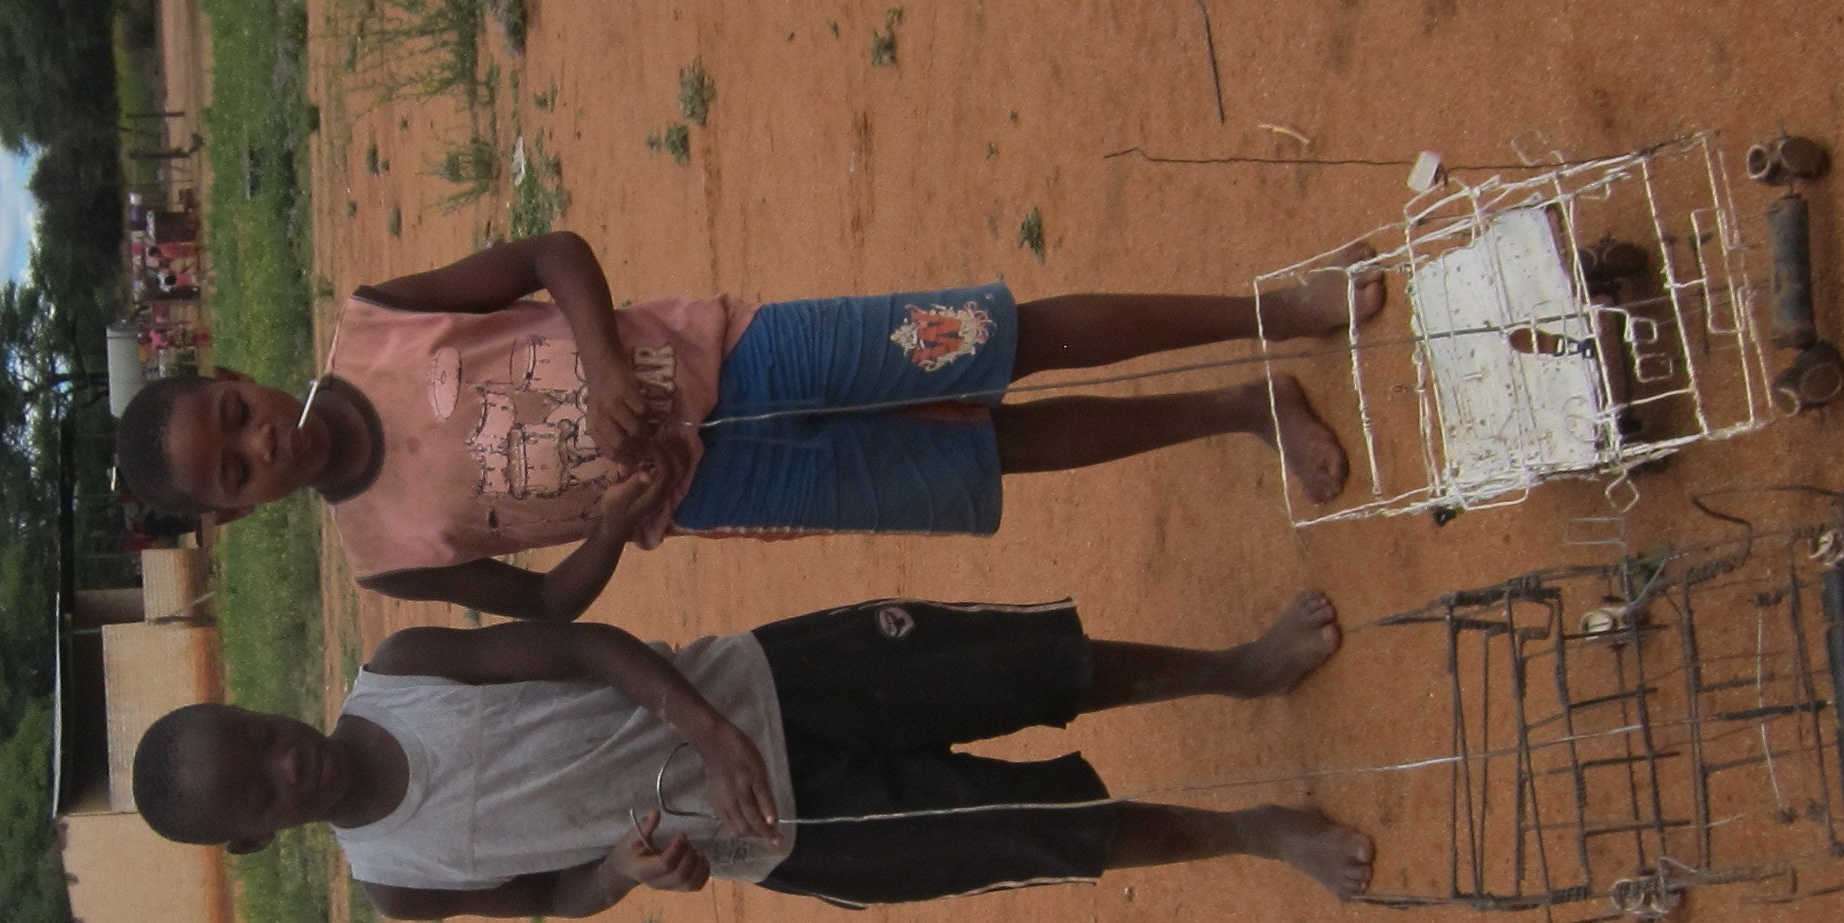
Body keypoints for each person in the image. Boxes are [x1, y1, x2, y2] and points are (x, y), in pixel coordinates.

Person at [108, 230, 1383, 618]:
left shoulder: (377, 320)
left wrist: (605, 359)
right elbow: (548, 606)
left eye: (236, 415)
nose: (261, 443)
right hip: (718, 490)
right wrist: (612, 526)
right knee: (989, 453)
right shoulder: (385, 555)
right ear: (234, 515)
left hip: (738, 353)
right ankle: (1242, 409)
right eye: (234, 472)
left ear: (241, 376)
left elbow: (554, 253)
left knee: (1000, 340)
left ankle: (1272, 307)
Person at [124, 588, 1374, 917]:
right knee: (1045, 837)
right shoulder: (395, 881)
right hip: (783, 835)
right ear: (253, 836)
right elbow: (558, 897)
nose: (293, 766)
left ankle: (1236, 669)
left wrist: (711, 729)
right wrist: (627, 871)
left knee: (1041, 673)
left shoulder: (402, 675)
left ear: (258, 709)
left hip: (776, 681)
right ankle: (1252, 836)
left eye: (266, 741)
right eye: (265, 791)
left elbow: (591, 648)